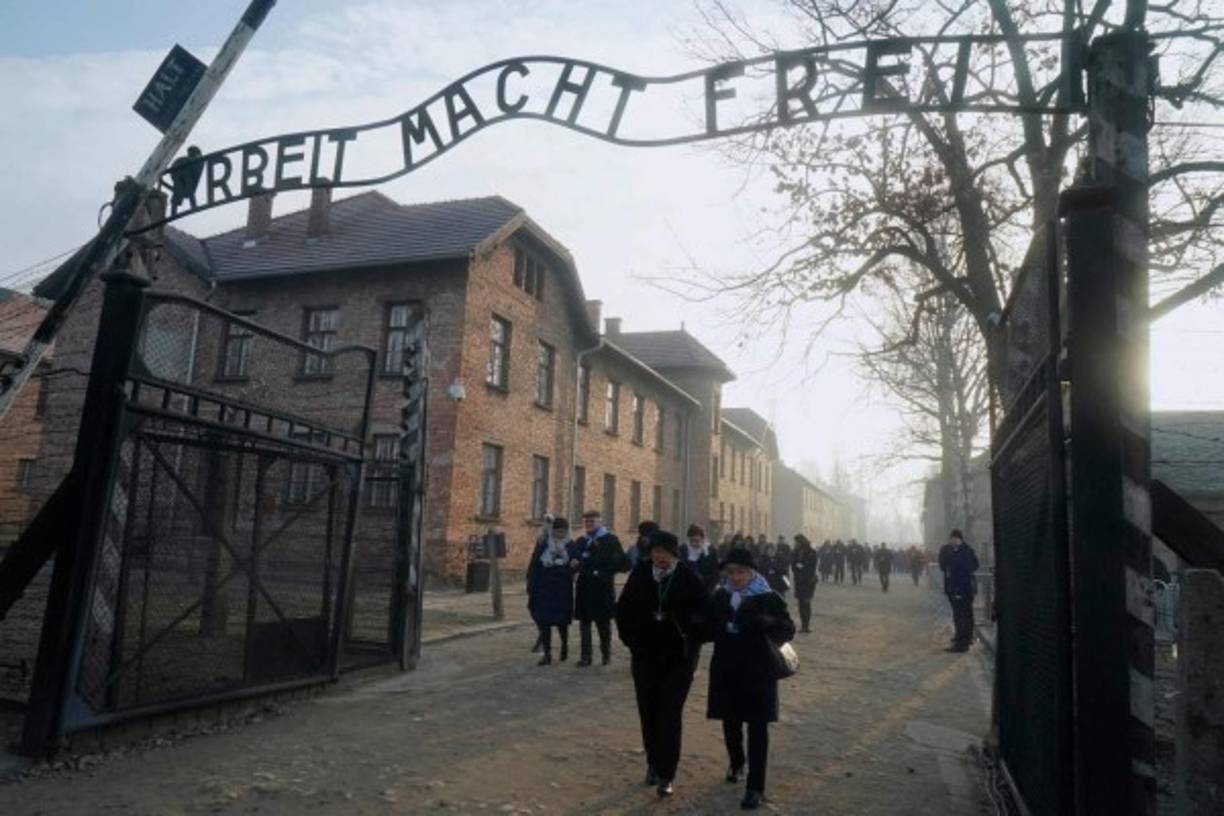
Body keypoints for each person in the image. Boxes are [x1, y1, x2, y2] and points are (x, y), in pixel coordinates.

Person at [615, 529, 709, 798]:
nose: (660, 557)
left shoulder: (688, 578)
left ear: (674, 554)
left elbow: (704, 612)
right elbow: (623, 609)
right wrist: (630, 639)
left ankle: (667, 773)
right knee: (649, 712)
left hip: (677, 660)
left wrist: (690, 634)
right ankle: (653, 763)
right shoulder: (641, 574)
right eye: (656, 552)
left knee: (669, 713)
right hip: (645, 658)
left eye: (665, 553)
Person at [704, 546, 796, 811]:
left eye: (741, 572)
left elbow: (787, 630)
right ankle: (736, 762)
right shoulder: (721, 596)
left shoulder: (769, 596)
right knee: (730, 722)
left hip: (759, 670)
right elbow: (709, 627)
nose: (735, 577)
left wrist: (764, 621)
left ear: (751, 572)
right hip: (727, 668)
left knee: (757, 728)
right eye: (731, 572)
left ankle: (755, 787)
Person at [568, 510, 628, 666]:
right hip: (585, 587)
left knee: (603, 623)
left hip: (602, 587)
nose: (589, 524)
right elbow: (574, 558)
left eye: (592, 521)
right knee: (585, 623)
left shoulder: (611, 540)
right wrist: (573, 563)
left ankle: (606, 654)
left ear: (600, 522)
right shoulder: (581, 541)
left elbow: (620, 563)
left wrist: (602, 572)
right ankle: (586, 657)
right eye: (586, 522)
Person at [526, 517, 575, 665]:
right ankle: (547, 654)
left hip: (562, 589)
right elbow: (534, 565)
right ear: (553, 531)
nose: (559, 534)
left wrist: (570, 567)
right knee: (545, 622)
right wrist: (531, 585)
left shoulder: (571, 546)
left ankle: (564, 646)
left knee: (562, 623)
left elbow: (575, 565)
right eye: (557, 530)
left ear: (566, 532)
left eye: (562, 531)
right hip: (544, 588)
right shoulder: (543, 545)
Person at [938, 529, 980, 653]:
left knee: (963, 616)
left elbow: (968, 569)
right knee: (962, 615)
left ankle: (962, 644)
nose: (951, 541)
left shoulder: (965, 552)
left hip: (963, 590)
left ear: (958, 539)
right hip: (959, 589)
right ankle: (963, 640)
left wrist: (958, 590)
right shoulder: (957, 550)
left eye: (952, 539)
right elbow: (945, 566)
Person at [790, 535, 818, 633]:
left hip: (808, 581)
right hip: (799, 580)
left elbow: (812, 566)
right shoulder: (796, 552)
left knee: (806, 602)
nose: (795, 543)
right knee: (801, 603)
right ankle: (803, 625)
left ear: (800, 542)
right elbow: (793, 564)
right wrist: (799, 568)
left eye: (796, 542)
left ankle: (806, 625)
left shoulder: (811, 552)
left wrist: (802, 567)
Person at [685, 524, 721, 591]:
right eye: (691, 541)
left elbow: (716, 572)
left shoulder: (710, 551)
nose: (693, 544)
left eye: (696, 541)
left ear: (702, 539)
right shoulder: (684, 550)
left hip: (706, 588)